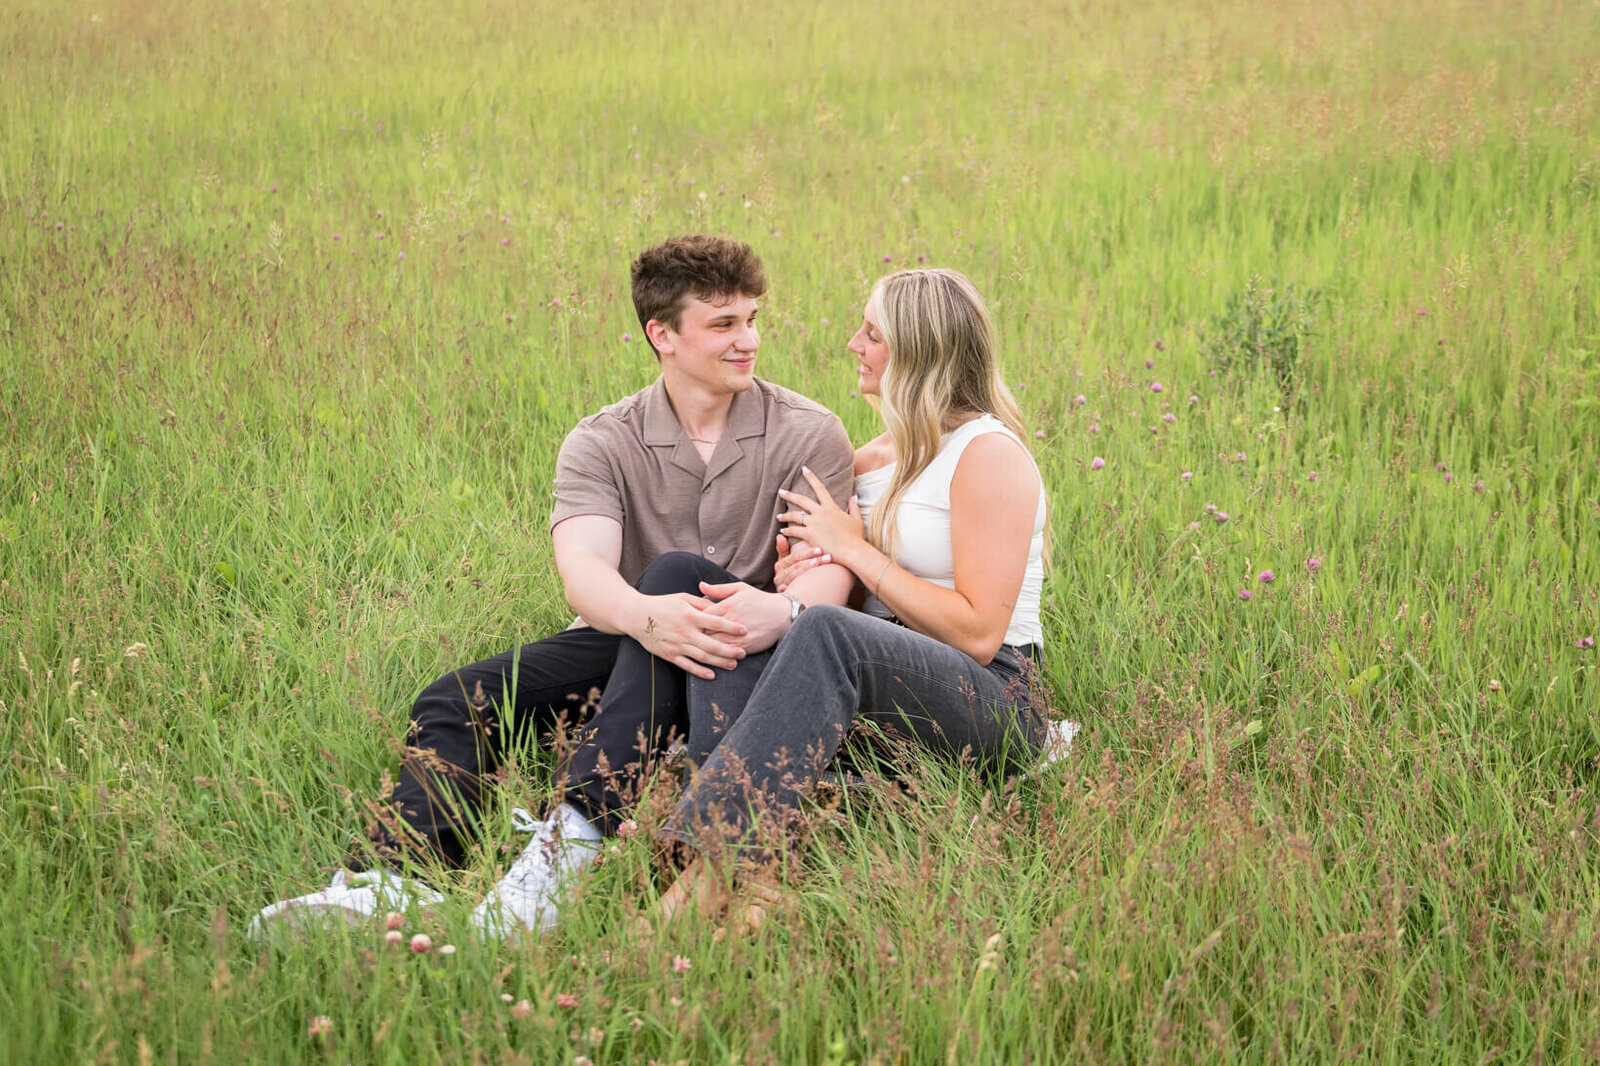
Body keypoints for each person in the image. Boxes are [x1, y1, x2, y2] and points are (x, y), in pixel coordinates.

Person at [251, 235, 856, 938]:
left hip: (751, 657)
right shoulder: (602, 441)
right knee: (458, 697)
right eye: (724, 324)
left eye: (752, 318)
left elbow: (824, 582)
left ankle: (552, 869)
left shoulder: (810, 433)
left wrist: (778, 612)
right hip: (631, 638)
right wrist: (648, 618)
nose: (748, 339)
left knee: (672, 577)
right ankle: (391, 880)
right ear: (662, 333)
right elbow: (585, 573)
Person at [649, 268, 1050, 921]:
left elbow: (979, 635)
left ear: (918, 352)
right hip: (884, 695)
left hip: (993, 695)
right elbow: (851, 613)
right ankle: (760, 875)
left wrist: (855, 550)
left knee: (821, 633)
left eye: (871, 334)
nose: (852, 345)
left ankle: (701, 879)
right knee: (743, 616)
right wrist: (806, 578)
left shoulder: (987, 455)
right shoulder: (867, 462)